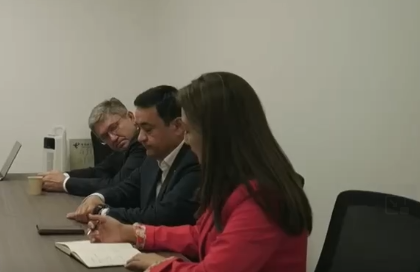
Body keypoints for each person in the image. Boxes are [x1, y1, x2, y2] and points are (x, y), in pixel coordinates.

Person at [87, 72, 311, 272]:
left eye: (189, 131)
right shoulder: (233, 182)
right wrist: (129, 232)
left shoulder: (262, 199)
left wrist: (160, 265)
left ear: (216, 135)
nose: (186, 141)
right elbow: (200, 236)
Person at [68, 86, 200, 226]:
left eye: (148, 129)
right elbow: (127, 188)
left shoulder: (195, 161)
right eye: (139, 128)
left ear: (178, 126)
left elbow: (162, 216)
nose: (141, 137)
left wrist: (101, 212)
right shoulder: (153, 158)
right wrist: (98, 197)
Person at [39, 97, 146, 196]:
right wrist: (63, 176)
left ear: (131, 117)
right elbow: (99, 171)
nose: (113, 138)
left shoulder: (143, 143)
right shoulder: (124, 146)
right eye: (105, 136)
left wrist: (65, 183)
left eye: (114, 127)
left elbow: (119, 185)